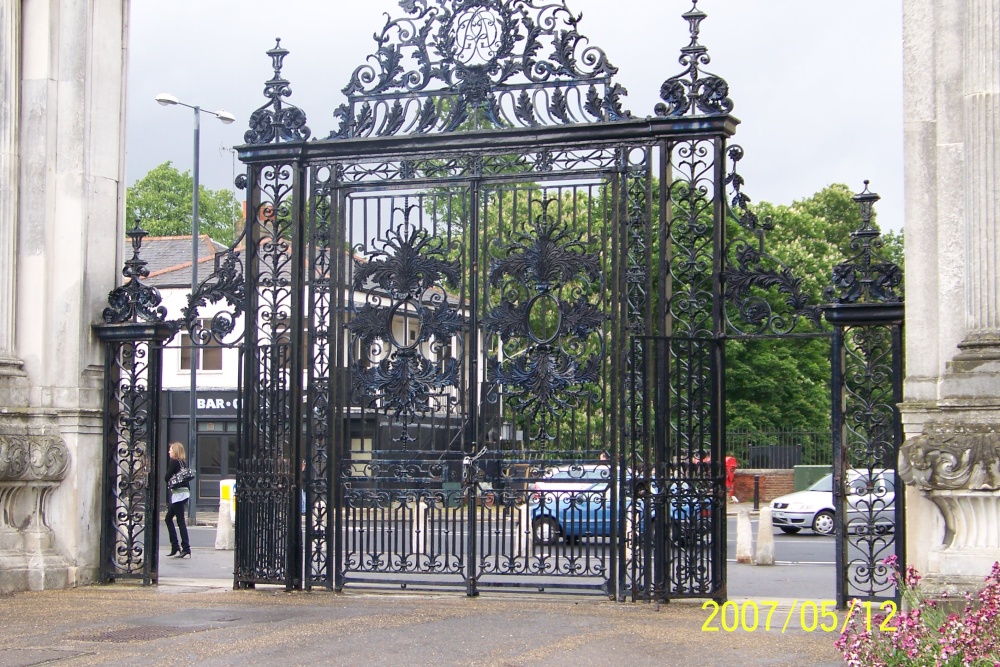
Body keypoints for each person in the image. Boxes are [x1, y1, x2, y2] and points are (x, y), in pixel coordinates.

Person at [165, 442, 191, 558]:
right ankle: (175, 546)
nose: (169, 451)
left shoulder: (174, 462)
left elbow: (167, 477)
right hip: (184, 493)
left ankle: (185, 548)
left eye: (170, 449)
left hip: (178, 495)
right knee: (168, 518)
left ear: (175, 451)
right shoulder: (182, 463)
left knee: (180, 521)